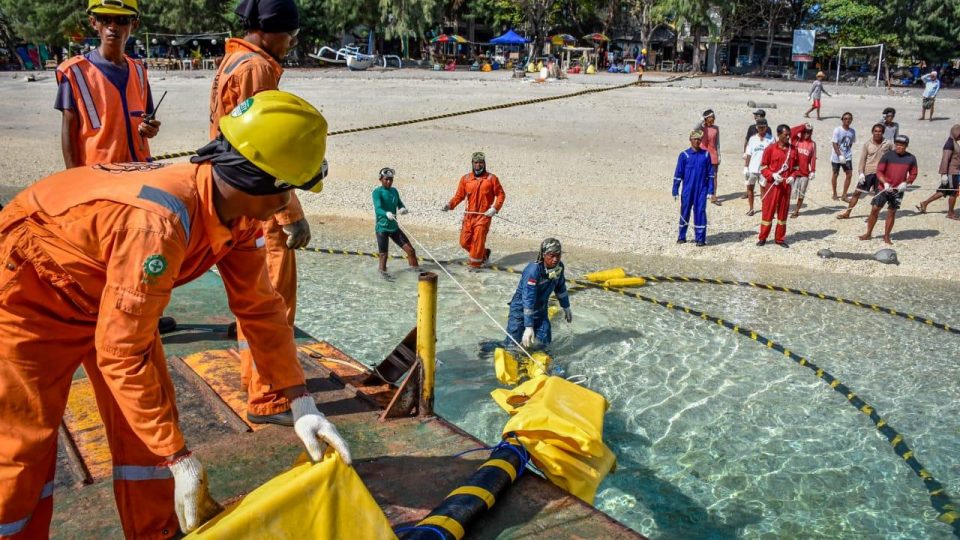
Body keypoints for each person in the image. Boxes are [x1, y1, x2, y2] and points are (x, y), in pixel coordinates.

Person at [0, 90, 350, 538]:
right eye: (288, 193)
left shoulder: (235, 212)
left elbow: (261, 308)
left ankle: (157, 533)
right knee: (21, 449)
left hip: (110, 287)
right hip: (32, 294)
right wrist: (180, 458)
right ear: (263, 183)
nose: (286, 207)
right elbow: (121, 355)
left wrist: (301, 402)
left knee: (148, 426)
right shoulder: (159, 224)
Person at [209, 0, 314, 425]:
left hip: (234, 196)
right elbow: (266, 151)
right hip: (260, 202)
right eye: (289, 34)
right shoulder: (257, 68)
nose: (290, 42)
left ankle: (256, 376)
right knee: (272, 304)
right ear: (270, 31)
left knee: (252, 298)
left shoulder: (232, 60)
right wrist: (291, 213)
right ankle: (269, 395)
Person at [55, 0, 160, 168]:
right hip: (97, 173)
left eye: (121, 20)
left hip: (139, 168)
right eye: (105, 19)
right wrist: (73, 178)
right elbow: (68, 129)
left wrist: (150, 128)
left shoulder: (139, 71)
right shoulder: (74, 72)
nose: (113, 26)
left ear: (134, 24)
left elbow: (147, 118)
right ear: (93, 22)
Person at [504, 238, 571, 350]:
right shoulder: (533, 271)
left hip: (541, 311)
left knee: (544, 342)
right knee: (512, 346)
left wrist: (566, 307)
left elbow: (561, 288)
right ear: (543, 255)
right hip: (520, 311)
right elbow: (528, 299)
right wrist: (529, 326)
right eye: (551, 255)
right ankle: (489, 347)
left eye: (558, 255)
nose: (555, 259)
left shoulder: (559, 267)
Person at [442, 152, 506, 269]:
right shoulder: (465, 179)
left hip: (484, 216)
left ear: (484, 164)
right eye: (476, 162)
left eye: (481, 162)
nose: (478, 165)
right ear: (472, 163)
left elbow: (501, 195)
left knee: (477, 243)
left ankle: (475, 268)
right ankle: (484, 254)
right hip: (469, 216)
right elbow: (459, 196)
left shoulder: (492, 179)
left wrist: (494, 208)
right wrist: (449, 205)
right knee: (464, 242)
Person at [859, 134, 918, 244]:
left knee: (891, 212)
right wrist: (885, 183)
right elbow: (879, 171)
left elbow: (913, 173)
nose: (899, 147)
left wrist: (906, 183)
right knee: (875, 209)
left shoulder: (911, 158)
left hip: (898, 190)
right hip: (883, 188)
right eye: (897, 144)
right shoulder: (887, 156)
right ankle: (868, 233)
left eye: (902, 145)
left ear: (906, 146)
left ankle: (886, 236)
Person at [837, 123, 892, 219]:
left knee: (877, 195)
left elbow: (895, 155)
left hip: (882, 174)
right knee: (857, 193)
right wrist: (861, 173)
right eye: (875, 131)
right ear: (872, 132)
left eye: (879, 131)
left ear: (883, 132)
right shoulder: (867, 144)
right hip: (868, 173)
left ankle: (872, 215)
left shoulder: (888, 144)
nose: (877, 133)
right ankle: (847, 213)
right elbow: (862, 159)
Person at [757, 124, 799, 247]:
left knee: (783, 213)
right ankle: (763, 237)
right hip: (773, 185)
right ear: (779, 134)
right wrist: (772, 175)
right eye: (785, 135)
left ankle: (780, 239)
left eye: (789, 134)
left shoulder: (793, 150)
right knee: (768, 211)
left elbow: (796, 168)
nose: (788, 137)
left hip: (786, 186)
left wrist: (792, 177)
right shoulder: (770, 149)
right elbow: (763, 167)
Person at [372, 167, 419, 274]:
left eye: (391, 179)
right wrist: (386, 213)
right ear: (381, 179)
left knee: (411, 251)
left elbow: (399, 203)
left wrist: (402, 208)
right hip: (382, 229)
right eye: (386, 179)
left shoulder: (394, 191)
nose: (389, 182)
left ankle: (415, 273)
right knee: (383, 256)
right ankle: (383, 278)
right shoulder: (377, 192)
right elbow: (378, 208)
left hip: (394, 228)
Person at [673, 130, 715, 246]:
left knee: (700, 212)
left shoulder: (706, 155)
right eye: (695, 139)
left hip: (701, 190)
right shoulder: (684, 155)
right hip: (688, 189)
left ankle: (700, 239)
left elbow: (711, 174)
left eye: (699, 139)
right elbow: (678, 173)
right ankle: (682, 236)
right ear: (690, 140)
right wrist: (675, 189)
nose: (697, 141)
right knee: (685, 211)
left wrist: (711, 190)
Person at [916, 124, 960, 219]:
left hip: (954, 172)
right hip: (952, 173)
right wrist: (944, 174)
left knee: (943, 191)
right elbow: (945, 160)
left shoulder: (954, 142)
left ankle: (924, 203)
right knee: (953, 192)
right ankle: (950, 213)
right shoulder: (950, 144)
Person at [742, 119, 774, 216]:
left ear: (766, 127)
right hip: (752, 168)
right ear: (756, 127)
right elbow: (749, 154)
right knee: (750, 188)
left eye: (763, 127)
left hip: (764, 169)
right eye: (759, 127)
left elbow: (773, 155)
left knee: (763, 190)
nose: (761, 129)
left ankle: (765, 209)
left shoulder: (771, 139)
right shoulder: (752, 139)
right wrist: (746, 167)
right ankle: (751, 208)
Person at [693, 110, 721, 206]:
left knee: (714, 176)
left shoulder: (716, 128)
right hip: (702, 153)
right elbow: (694, 129)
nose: (713, 118)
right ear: (706, 118)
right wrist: (702, 120)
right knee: (701, 175)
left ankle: (713, 196)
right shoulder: (701, 128)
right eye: (711, 116)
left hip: (713, 154)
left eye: (713, 116)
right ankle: (701, 194)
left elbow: (717, 143)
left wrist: (719, 155)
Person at [790, 122, 817, 217]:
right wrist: (802, 127)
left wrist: (813, 170)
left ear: (811, 133)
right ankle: (785, 208)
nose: (806, 134)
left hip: (805, 173)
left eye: (808, 132)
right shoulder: (796, 141)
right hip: (793, 172)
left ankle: (796, 211)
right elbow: (792, 131)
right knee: (791, 192)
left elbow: (813, 158)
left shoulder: (813, 144)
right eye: (804, 132)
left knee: (802, 193)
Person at [830, 112, 856, 201]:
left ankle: (844, 195)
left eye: (849, 119)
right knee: (835, 174)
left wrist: (846, 153)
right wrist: (840, 155)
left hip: (847, 156)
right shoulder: (838, 130)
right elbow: (834, 143)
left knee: (849, 174)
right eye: (845, 118)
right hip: (836, 157)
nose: (847, 120)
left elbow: (850, 143)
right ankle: (834, 193)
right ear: (842, 120)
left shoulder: (852, 131)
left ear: (851, 120)